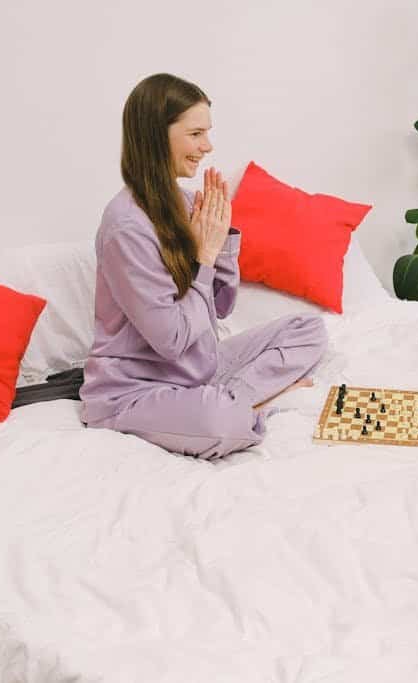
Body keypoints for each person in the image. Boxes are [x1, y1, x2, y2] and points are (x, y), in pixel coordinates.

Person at [80, 73, 327, 460]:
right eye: (196, 134)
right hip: (135, 391)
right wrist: (205, 256)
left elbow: (222, 307)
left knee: (308, 330)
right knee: (221, 423)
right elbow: (171, 340)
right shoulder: (126, 227)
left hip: (198, 371)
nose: (207, 146)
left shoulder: (184, 202)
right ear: (156, 136)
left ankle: (231, 400)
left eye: (207, 133)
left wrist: (221, 240)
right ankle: (245, 405)